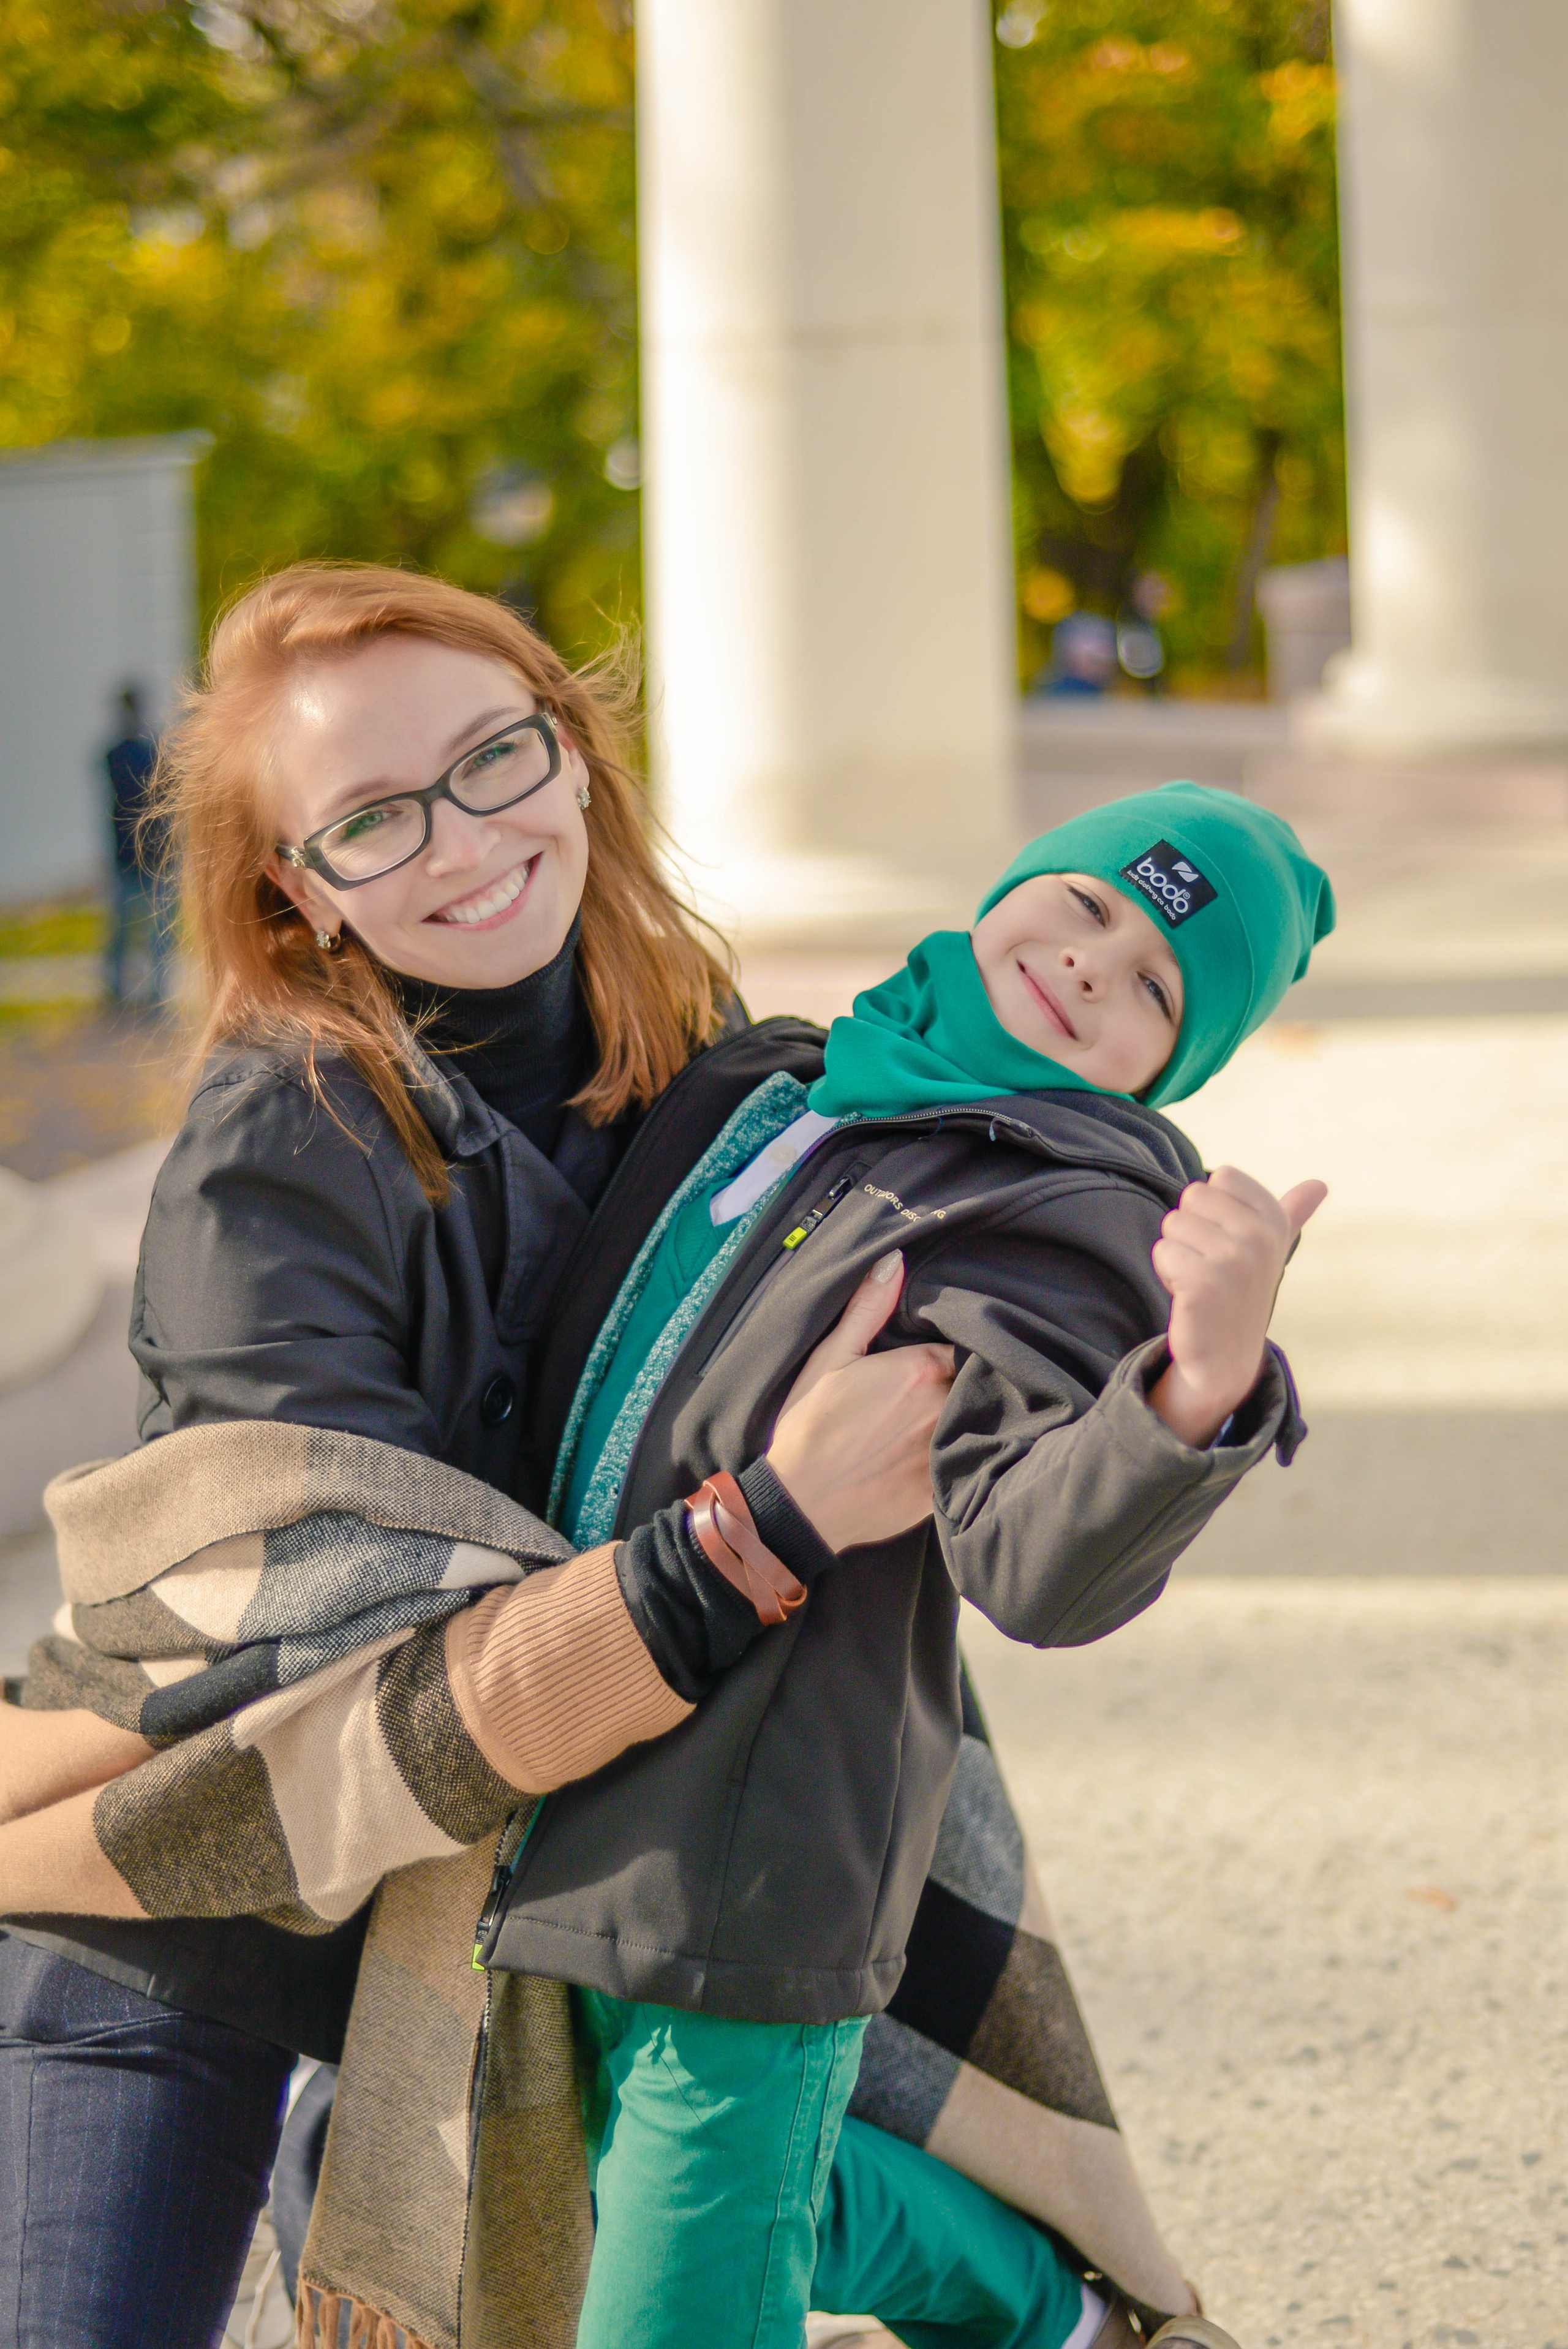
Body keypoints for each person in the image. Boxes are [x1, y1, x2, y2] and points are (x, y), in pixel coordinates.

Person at [0, 566, 951, 2349]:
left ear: (570, 750)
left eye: (492, 757)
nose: (463, 839)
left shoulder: (713, 1080)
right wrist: (759, 1528)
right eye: (373, 816)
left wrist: (1188, 1381)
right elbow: (349, 1643)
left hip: (522, 1911)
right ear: (299, 888)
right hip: (196, 1880)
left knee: (874, 2154)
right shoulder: (275, 1145)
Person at [484, 784, 1332, 2349]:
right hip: (551, 1751)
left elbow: (1032, 1562)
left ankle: (1044, 2308)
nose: (1088, 963)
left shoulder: (1068, 1212)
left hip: (740, 1860)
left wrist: (1194, 1382)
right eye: (1085, 903)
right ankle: (1042, 2310)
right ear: (1016, 881)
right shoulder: (780, 1077)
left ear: (1169, 1064)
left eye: (1153, 986)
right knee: (633, 2194)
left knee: (672, 2272)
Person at [102, 683, 173, 1009]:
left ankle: (147, 993)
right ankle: (139, 993)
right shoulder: (147, 754)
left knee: (145, 932)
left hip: (145, 856)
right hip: (140, 856)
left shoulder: (119, 755)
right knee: (145, 932)